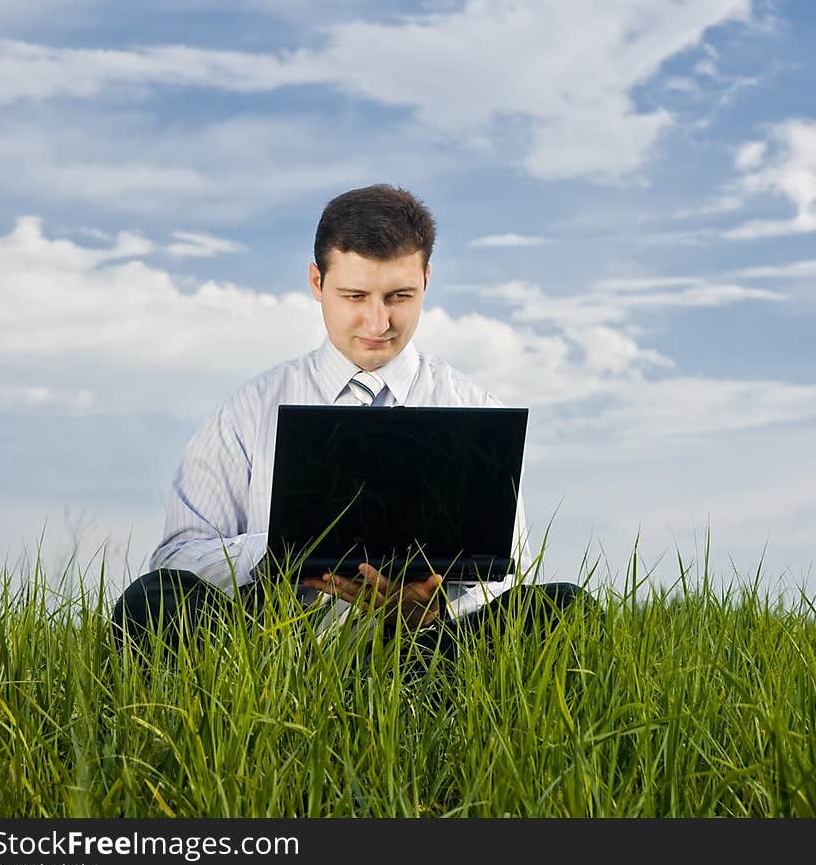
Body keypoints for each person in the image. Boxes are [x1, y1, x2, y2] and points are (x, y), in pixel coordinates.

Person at [112, 184, 594, 653]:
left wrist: (433, 608)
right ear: (317, 283)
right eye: (355, 296)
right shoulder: (249, 410)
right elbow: (175, 559)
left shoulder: (475, 407)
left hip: (422, 653)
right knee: (149, 604)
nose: (377, 323)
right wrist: (283, 551)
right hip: (271, 651)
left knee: (568, 610)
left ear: (426, 280)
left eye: (399, 297)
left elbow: (512, 574)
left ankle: (403, 698)